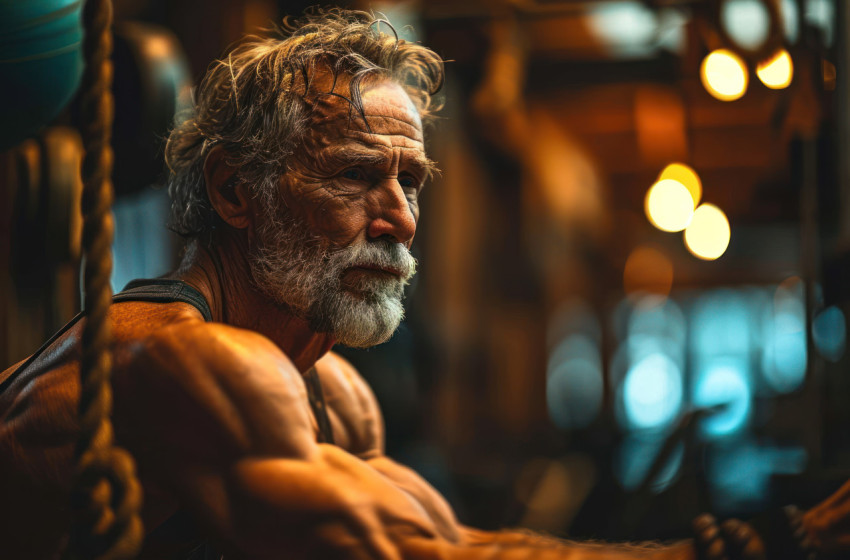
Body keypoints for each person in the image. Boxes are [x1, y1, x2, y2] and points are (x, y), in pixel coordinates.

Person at [0, 8, 848, 560]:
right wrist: (770, 544)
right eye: (356, 176)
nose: (401, 219)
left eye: (410, 183)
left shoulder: (327, 386)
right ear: (233, 192)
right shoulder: (192, 362)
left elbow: (440, 536)